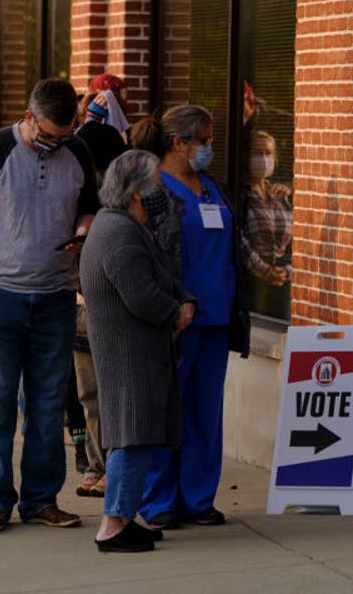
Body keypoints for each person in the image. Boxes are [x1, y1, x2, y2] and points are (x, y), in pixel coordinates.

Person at [0, 77, 98, 532]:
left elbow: (89, 205)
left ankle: (40, 500)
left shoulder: (77, 151)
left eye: (66, 133)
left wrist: (82, 232)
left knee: (46, 404)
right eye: (49, 135)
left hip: (55, 297)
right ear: (28, 118)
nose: (58, 142)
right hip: (1, 297)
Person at [128, 104, 247, 530]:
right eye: (204, 141)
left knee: (204, 413)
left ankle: (199, 498)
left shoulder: (213, 187)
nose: (208, 149)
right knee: (164, 411)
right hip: (174, 318)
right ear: (179, 143)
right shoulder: (152, 189)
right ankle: (159, 501)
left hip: (215, 318)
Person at [79, 150, 196, 553]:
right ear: (136, 191)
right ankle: (113, 526)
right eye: (156, 187)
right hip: (129, 354)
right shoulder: (118, 232)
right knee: (131, 437)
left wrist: (185, 298)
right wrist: (175, 314)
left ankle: (123, 517)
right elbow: (141, 293)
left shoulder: (125, 226)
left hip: (135, 351)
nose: (160, 193)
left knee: (136, 435)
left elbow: (161, 274)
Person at [72, 75, 131, 497]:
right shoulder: (71, 192)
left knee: (110, 391)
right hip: (79, 300)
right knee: (88, 392)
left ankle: (114, 467)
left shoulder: (122, 202)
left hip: (110, 304)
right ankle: (96, 464)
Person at [241, 131, 293, 320]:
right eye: (257, 153)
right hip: (252, 278)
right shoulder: (241, 195)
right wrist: (264, 271)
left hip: (282, 280)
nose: (263, 158)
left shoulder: (280, 194)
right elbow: (238, 238)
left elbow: (295, 238)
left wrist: (286, 269)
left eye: (268, 153)